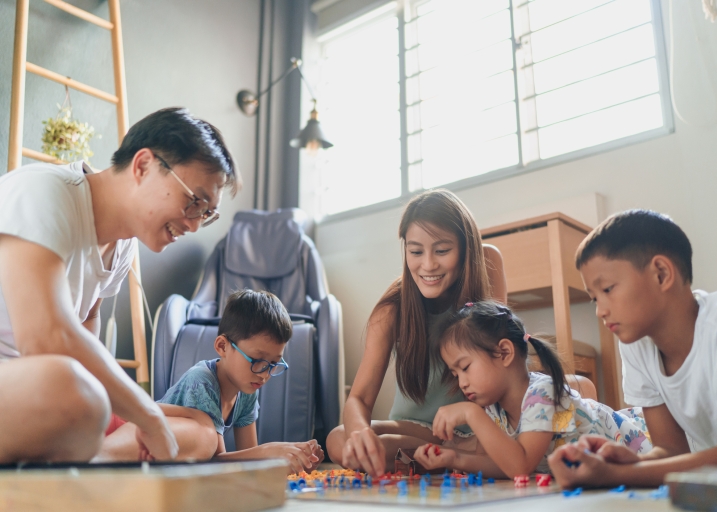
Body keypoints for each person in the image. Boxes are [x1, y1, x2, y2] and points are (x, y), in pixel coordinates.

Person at [0, 107, 239, 463]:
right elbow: (45, 338)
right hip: (30, 384)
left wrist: (142, 417)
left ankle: (85, 454)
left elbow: (85, 325)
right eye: (194, 201)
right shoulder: (44, 192)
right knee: (73, 392)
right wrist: (145, 415)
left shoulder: (122, 246)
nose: (192, 225)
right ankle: (82, 452)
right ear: (142, 165)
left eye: (205, 213)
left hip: (42, 392)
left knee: (200, 432)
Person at [326, 189, 596, 477]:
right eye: (416, 252)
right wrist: (359, 435)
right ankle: (443, 456)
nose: (428, 264)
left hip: (485, 421)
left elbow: (500, 357)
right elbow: (360, 399)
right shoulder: (392, 309)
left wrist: (476, 418)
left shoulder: (487, 263)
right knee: (338, 440)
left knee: (582, 388)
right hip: (419, 428)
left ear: (466, 247)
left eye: (442, 251)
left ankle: (436, 458)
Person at [548, 209, 717, 488]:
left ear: (662, 274)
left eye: (607, 289)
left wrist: (616, 476)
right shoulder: (636, 343)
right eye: (594, 299)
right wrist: (624, 462)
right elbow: (672, 451)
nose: (600, 311)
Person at [413, 300, 652, 478]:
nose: (462, 382)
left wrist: (470, 413)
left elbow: (521, 465)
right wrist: (455, 458)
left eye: (465, 367)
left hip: (639, 447)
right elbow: (504, 463)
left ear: (504, 353)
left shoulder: (542, 393)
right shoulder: (492, 408)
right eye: (455, 374)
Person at [97, 290, 324, 473]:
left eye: (274, 364)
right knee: (206, 438)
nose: (264, 374)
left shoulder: (248, 387)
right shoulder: (203, 382)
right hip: (123, 431)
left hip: (149, 450)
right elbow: (214, 459)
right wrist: (270, 451)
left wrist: (292, 460)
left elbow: (250, 458)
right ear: (222, 346)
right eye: (257, 361)